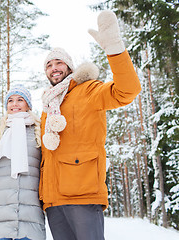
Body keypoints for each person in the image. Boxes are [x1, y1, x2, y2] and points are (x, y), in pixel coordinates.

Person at [39, 10, 142, 240]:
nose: (54, 68)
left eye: (59, 62)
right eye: (49, 65)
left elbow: (128, 90)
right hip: (53, 199)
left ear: (69, 66)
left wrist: (114, 49)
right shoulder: (48, 104)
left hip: (83, 194)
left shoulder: (89, 90)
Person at [0, 85, 46, 240]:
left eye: (20, 100)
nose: (14, 104)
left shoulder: (38, 131)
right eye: (10, 100)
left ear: (28, 104)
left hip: (30, 217)